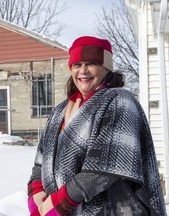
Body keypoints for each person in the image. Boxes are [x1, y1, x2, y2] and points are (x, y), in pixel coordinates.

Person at [27, 36, 166, 215]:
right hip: (65, 209)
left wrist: (53, 206)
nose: (83, 71)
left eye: (90, 64)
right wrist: (35, 196)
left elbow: (103, 169)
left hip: (114, 209)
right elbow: (41, 160)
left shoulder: (119, 102)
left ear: (106, 68)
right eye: (77, 65)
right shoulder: (59, 111)